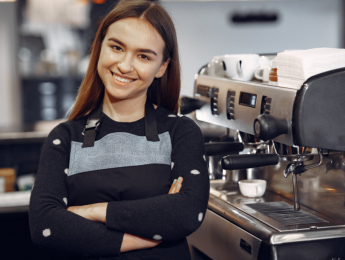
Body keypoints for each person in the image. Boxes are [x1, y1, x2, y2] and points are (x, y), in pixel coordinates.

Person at [28, 0, 210, 259]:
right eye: (116, 47)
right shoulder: (65, 138)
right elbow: (45, 225)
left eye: (143, 56)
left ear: (162, 67)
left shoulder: (181, 132)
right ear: (100, 48)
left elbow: (187, 212)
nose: (125, 66)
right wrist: (139, 236)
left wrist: (91, 211)